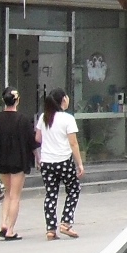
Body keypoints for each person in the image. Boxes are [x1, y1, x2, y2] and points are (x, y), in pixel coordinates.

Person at [0, 89, 36, 241]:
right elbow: (32, 142)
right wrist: (39, 158)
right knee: (15, 196)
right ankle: (10, 230)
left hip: (1, 160)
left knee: (7, 192)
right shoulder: (23, 119)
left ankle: (4, 223)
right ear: (17, 100)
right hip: (19, 161)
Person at [35, 90, 84, 241]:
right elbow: (73, 143)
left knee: (51, 194)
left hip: (47, 162)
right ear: (63, 100)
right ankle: (66, 222)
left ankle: (50, 229)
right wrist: (79, 163)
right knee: (74, 189)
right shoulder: (68, 119)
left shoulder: (44, 117)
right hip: (63, 161)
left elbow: (38, 138)